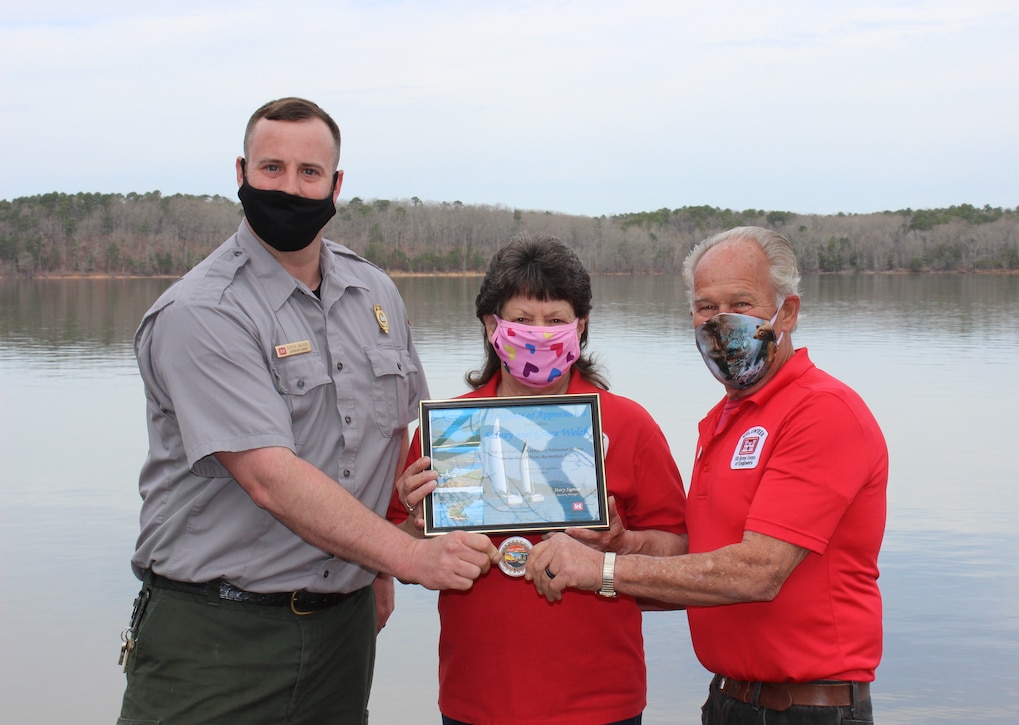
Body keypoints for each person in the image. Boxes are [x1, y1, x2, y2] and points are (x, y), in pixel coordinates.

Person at [117, 97, 496, 725]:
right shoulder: (204, 311)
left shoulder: (373, 291)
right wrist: (404, 557)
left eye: (309, 173)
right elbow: (270, 476)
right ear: (241, 173)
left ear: (336, 185)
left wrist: (374, 564)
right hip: (216, 636)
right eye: (271, 169)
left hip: (341, 636)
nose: (289, 188)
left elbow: (396, 435)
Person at [524, 226, 888, 724]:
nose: (721, 322)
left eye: (742, 302)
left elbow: (759, 571)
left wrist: (600, 571)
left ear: (788, 312)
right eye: (706, 307)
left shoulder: (822, 412)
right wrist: (620, 544)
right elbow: (701, 557)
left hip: (807, 709)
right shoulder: (729, 418)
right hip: (730, 700)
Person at [388, 234, 688, 725]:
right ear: (492, 325)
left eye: (556, 321)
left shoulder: (631, 426)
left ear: (581, 327)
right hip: (475, 701)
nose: (539, 334)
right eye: (522, 321)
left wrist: (623, 543)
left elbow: (682, 553)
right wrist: (417, 532)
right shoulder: (447, 433)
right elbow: (399, 559)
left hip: (601, 704)